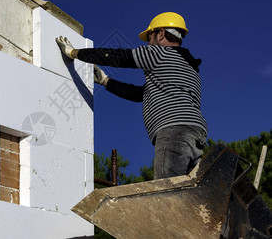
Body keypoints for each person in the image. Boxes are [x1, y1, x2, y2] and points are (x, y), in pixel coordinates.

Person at [56, 12, 208, 180]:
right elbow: (139, 94)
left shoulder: (159, 54)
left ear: (161, 34)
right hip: (195, 135)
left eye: (150, 38)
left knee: (167, 191)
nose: (148, 44)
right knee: (187, 195)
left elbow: (119, 57)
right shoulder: (190, 68)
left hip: (174, 131)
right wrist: (106, 81)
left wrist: (74, 53)